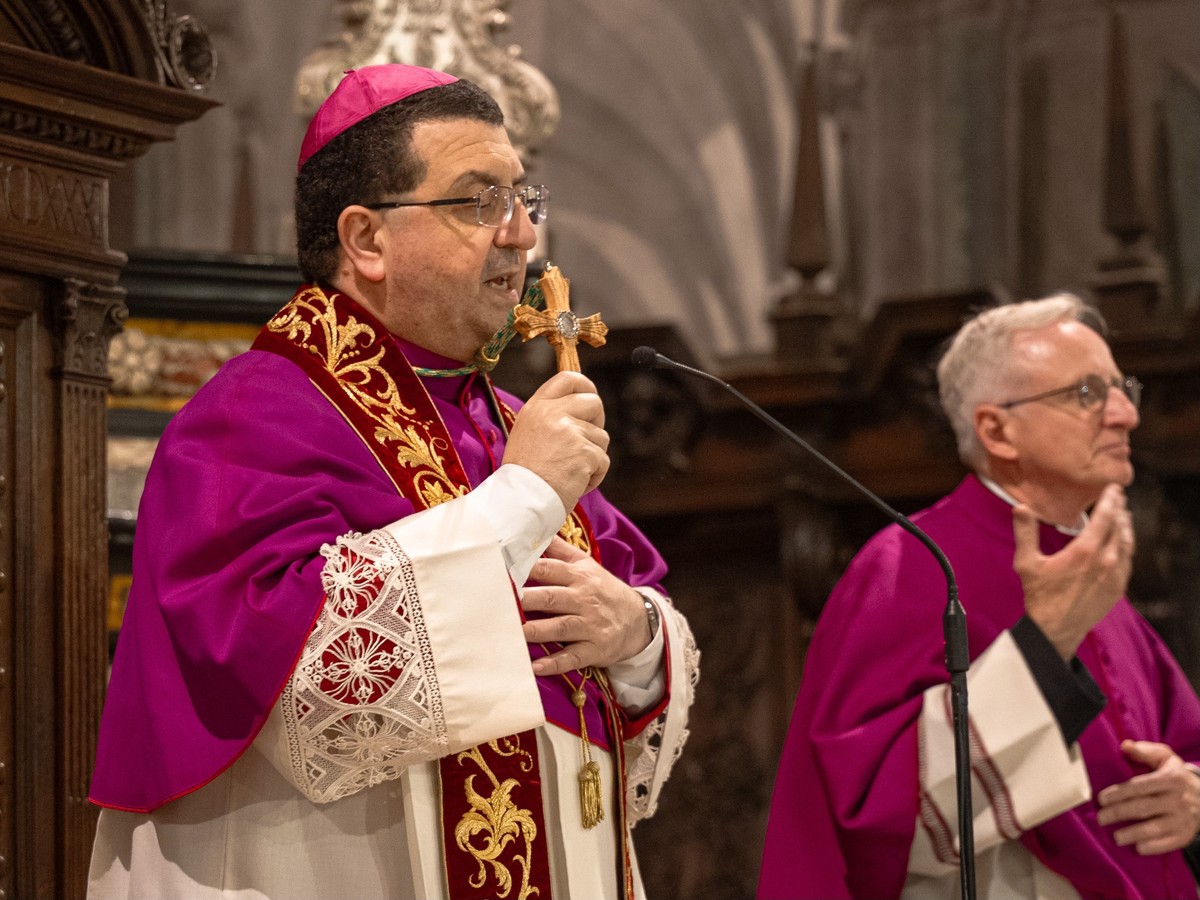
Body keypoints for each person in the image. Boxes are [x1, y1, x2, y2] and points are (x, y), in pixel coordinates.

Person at [87, 64, 698, 900]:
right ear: (366, 240)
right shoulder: (252, 420)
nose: (521, 234)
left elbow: (639, 607)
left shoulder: (503, 424)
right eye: (479, 200)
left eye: (525, 199)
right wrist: (520, 499)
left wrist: (635, 637)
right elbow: (304, 687)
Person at [758, 293, 1200, 899]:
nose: (1125, 414)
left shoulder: (1091, 569)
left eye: (1125, 389)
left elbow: (1182, 743)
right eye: (1088, 393)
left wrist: (1191, 796)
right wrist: (1044, 647)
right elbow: (875, 814)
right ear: (997, 429)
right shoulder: (910, 566)